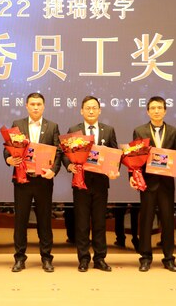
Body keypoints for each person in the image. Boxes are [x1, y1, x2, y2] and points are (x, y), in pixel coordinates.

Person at [4, 92, 61, 273]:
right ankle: (19, 258)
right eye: (32, 104)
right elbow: (8, 149)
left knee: (45, 220)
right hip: (23, 180)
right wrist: (9, 160)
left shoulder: (52, 126)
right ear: (26, 106)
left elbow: (59, 152)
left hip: (44, 181)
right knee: (20, 220)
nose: (36, 107)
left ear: (43, 106)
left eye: (39, 104)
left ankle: (46, 257)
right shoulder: (17, 125)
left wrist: (54, 170)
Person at [62, 95, 118, 272]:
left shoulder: (108, 130)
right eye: (88, 108)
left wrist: (114, 170)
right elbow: (65, 153)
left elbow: (115, 154)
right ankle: (83, 258)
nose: (91, 111)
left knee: (100, 222)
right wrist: (69, 165)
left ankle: (100, 258)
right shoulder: (74, 130)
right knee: (82, 223)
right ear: (81, 111)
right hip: (81, 182)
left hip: (101, 183)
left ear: (99, 110)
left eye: (94, 108)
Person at [131, 96, 176, 272]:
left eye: (160, 108)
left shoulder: (173, 131)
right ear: (148, 111)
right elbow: (134, 156)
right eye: (153, 108)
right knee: (146, 221)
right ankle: (145, 258)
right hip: (147, 182)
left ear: (165, 111)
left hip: (166, 183)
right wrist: (132, 175)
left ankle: (169, 258)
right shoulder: (139, 131)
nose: (156, 111)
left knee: (167, 221)